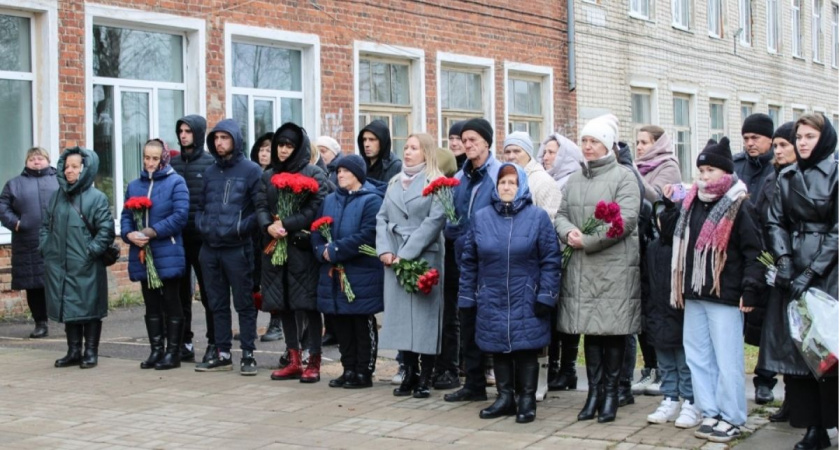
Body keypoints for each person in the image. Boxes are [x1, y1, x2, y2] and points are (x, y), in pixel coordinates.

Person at [661, 137, 764, 444]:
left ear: (725, 172)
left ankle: (732, 417)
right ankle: (710, 411)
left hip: (726, 294)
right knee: (698, 356)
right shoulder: (691, 201)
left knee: (727, 359)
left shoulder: (739, 204)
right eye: (701, 170)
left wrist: (750, 289)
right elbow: (672, 236)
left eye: (710, 170)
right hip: (694, 293)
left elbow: (753, 252)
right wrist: (670, 206)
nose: (704, 177)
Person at [554, 115, 641, 423]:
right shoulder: (576, 178)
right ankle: (593, 393)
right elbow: (561, 212)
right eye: (585, 141)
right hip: (583, 267)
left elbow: (626, 220)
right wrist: (568, 233)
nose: (588, 147)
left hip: (613, 268)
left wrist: (588, 240)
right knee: (591, 332)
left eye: (594, 142)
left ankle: (611, 396)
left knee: (612, 333)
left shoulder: (624, 176)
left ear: (607, 145)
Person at [460, 163, 561, 423]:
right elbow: (469, 260)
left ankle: (527, 400)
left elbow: (551, 259)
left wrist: (546, 296)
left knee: (526, 347)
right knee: (498, 346)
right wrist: (468, 297)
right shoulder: (481, 218)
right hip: (491, 294)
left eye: (512, 183)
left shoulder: (537, 217)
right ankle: (504, 397)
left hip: (526, 294)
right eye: (502, 182)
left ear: (522, 187)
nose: (507, 187)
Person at [766, 113, 838, 450]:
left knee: (827, 350)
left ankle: (828, 420)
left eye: (810, 136)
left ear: (823, 138)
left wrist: (812, 272)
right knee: (799, 350)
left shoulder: (837, 172)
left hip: (830, 272)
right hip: (793, 267)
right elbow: (775, 221)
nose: (803, 142)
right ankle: (813, 426)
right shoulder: (787, 175)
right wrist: (783, 262)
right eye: (800, 136)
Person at [377, 133, 446, 398]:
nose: (407, 152)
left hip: (423, 256)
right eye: (405, 147)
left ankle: (425, 376)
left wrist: (406, 254)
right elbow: (381, 217)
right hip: (393, 257)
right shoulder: (394, 181)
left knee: (424, 318)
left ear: (426, 152)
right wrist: (384, 249)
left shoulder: (437, 182)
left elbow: (434, 221)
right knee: (401, 319)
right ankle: (408, 371)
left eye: (414, 148)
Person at [194, 119, 264, 375]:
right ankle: (222, 352)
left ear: (235, 139)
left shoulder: (251, 170)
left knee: (244, 303)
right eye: (216, 138)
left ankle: (248, 354)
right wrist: (202, 225)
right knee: (216, 302)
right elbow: (200, 205)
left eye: (225, 137)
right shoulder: (210, 172)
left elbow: (259, 209)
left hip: (238, 248)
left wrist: (238, 229)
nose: (219, 143)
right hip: (210, 248)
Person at [259, 123, 328, 383]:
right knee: (283, 304)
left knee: (307, 304)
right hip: (275, 247)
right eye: (280, 145)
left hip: (301, 249)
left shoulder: (314, 174)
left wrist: (286, 224)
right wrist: (268, 225)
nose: (284, 150)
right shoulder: (268, 176)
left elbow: (316, 207)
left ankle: (314, 360)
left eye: (289, 145)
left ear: (298, 147)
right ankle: (294, 359)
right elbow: (260, 204)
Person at [443, 118, 502, 403]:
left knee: (492, 322)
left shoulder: (501, 173)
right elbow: (451, 213)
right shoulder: (460, 178)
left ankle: (505, 386)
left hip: (491, 263)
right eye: (464, 140)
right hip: (464, 262)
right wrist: (451, 229)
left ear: (487, 142)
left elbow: (507, 214)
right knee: (467, 321)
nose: (467, 145)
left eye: (473, 140)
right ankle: (474, 384)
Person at [41, 147, 115, 369]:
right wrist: (46, 248)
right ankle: (73, 351)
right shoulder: (56, 197)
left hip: (87, 264)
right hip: (60, 264)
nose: (69, 171)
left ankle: (91, 351)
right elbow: (45, 226)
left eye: (75, 167)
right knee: (68, 306)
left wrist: (90, 252)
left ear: (85, 169)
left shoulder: (97, 198)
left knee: (90, 308)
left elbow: (106, 231)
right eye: (67, 167)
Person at [314, 154, 383, 388]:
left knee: (360, 322)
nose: (340, 175)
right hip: (335, 274)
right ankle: (349, 368)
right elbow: (317, 229)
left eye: (346, 172)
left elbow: (368, 234)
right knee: (341, 322)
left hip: (361, 272)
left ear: (358, 175)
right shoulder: (330, 200)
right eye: (339, 171)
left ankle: (364, 371)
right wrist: (320, 249)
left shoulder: (371, 200)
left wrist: (335, 249)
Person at [121, 139, 189, 370]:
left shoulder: (176, 182)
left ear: (164, 158)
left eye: (155, 158)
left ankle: (173, 352)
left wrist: (153, 231)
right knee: (150, 302)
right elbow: (127, 216)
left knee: (171, 300)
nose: (150, 163)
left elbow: (180, 215)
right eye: (146, 158)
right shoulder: (134, 185)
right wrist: (128, 234)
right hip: (143, 251)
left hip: (167, 249)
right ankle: (156, 350)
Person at [630, 125, 682, 397]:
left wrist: (634, 173)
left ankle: (663, 370)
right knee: (643, 307)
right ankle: (649, 366)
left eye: (644, 142)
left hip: (659, 242)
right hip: (638, 242)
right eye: (637, 142)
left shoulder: (668, 165)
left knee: (657, 304)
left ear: (657, 144)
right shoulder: (638, 165)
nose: (639, 147)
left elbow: (657, 198)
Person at [642, 199, 701, 428]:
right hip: (657, 313)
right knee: (665, 361)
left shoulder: (685, 247)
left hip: (679, 313)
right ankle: (670, 398)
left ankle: (690, 400)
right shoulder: (653, 248)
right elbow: (646, 281)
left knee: (684, 361)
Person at [753, 122, 796, 423]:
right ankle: (790, 401)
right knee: (780, 336)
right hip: (773, 266)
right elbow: (760, 219)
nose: (777, 151)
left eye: (783, 146)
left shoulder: (806, 178)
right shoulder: (771, 179)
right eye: (776, 145)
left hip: (802, 266)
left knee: (801, 340)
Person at [734, 112, 778, 404]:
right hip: (737, 249)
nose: (750, 144)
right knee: (736, 316)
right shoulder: (737, 165)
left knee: (765, 320)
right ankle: (734, 377)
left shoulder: (778, 166)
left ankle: (765, 379)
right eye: (746, 138)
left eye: (756, 138)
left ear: (770, 140)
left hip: (768, 250)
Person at [536, 133, 583, 392]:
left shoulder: (572, 181)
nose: (546, 157)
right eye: (544, 152)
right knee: (553, 316)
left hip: (571, 255)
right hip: (550, 259)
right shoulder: (545, 181)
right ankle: (552, 367)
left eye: (552, 152)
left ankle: (568, 369)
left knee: (568, 316)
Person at [0, 147, 58, 339]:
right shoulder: (14, 184)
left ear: (48, 160)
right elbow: (3, 207)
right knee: (34, 285)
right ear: (26, 162)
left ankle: (69, 320)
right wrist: (16, 223)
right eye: (32, 159)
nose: (36, 161)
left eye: (40, 158)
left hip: (57, 240)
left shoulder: (60, 180)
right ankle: (40, 322)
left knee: (60, 282)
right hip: (27, 241)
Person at [170, 114, 215, 363]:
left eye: (188, 131)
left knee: (209, 293)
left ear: (198, 133)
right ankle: (183, 342)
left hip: (202, 238)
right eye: (181, 131)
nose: (184, 135)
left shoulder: (210, 163)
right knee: (180, 293)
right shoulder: (173, 165)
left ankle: (214, 342)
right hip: (177, 239)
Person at [432, 121, 468, 390]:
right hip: (437, 253)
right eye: (452, 138)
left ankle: (453, 367)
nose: (457, 143)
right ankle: (439, 365)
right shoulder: (437, 185)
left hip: (455, 255)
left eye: (461, 138)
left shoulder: (462, 180)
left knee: (452, 314)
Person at [249, 132, 283, 343]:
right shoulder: (252, 174)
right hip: (252, 235)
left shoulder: (277, 176)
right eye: (261, 149)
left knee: (272, 281)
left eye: (268, 150)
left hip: (272, 235)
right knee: (252, 281)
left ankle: (275, 324)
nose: (264, 153)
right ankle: (249, 324)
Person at [503, 131, 562, 219]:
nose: (511, 156)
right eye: (507, 152)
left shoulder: (544, 182)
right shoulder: (501, 180)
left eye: (516, 151)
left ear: (528, 153)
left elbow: (550, 223)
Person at [358, 120, 402, 187]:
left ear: (382, 142)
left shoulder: (396, 167)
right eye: (364, 140)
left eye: (372, 139)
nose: (366, 144)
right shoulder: (360, 165)